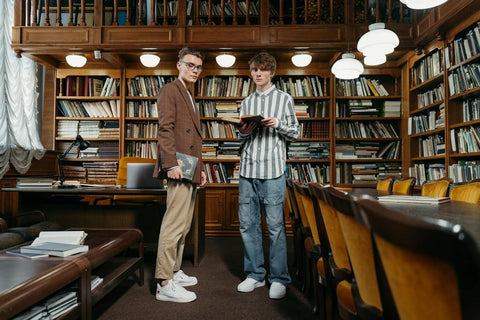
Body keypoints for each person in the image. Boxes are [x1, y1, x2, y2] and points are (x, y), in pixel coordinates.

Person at [236, 51, 299, 299]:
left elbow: (295, 132)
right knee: (247, 225)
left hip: (273, 171)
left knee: (275, 227)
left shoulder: (284, 99)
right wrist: (242, 130)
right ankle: (254, 274)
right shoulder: (247, 101)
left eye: (262, 70)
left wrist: (278, 124)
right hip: (247, 171)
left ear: (272, 72)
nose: (258, 74)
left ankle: (279, 278)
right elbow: (240, 138)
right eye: (254, 70)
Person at [153, 47, 207, 303]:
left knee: (184, 226)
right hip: (178, 166)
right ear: (179, 65)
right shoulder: (169, 90)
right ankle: (164, 283)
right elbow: (165, 130)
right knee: (174, 225)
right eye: (190, 65)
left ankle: (174, 271)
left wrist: (202, 170)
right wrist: (170, 164)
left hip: (190, 166)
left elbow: (195, 139)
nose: (194, 70)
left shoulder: (188, 93)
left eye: (198, 67)